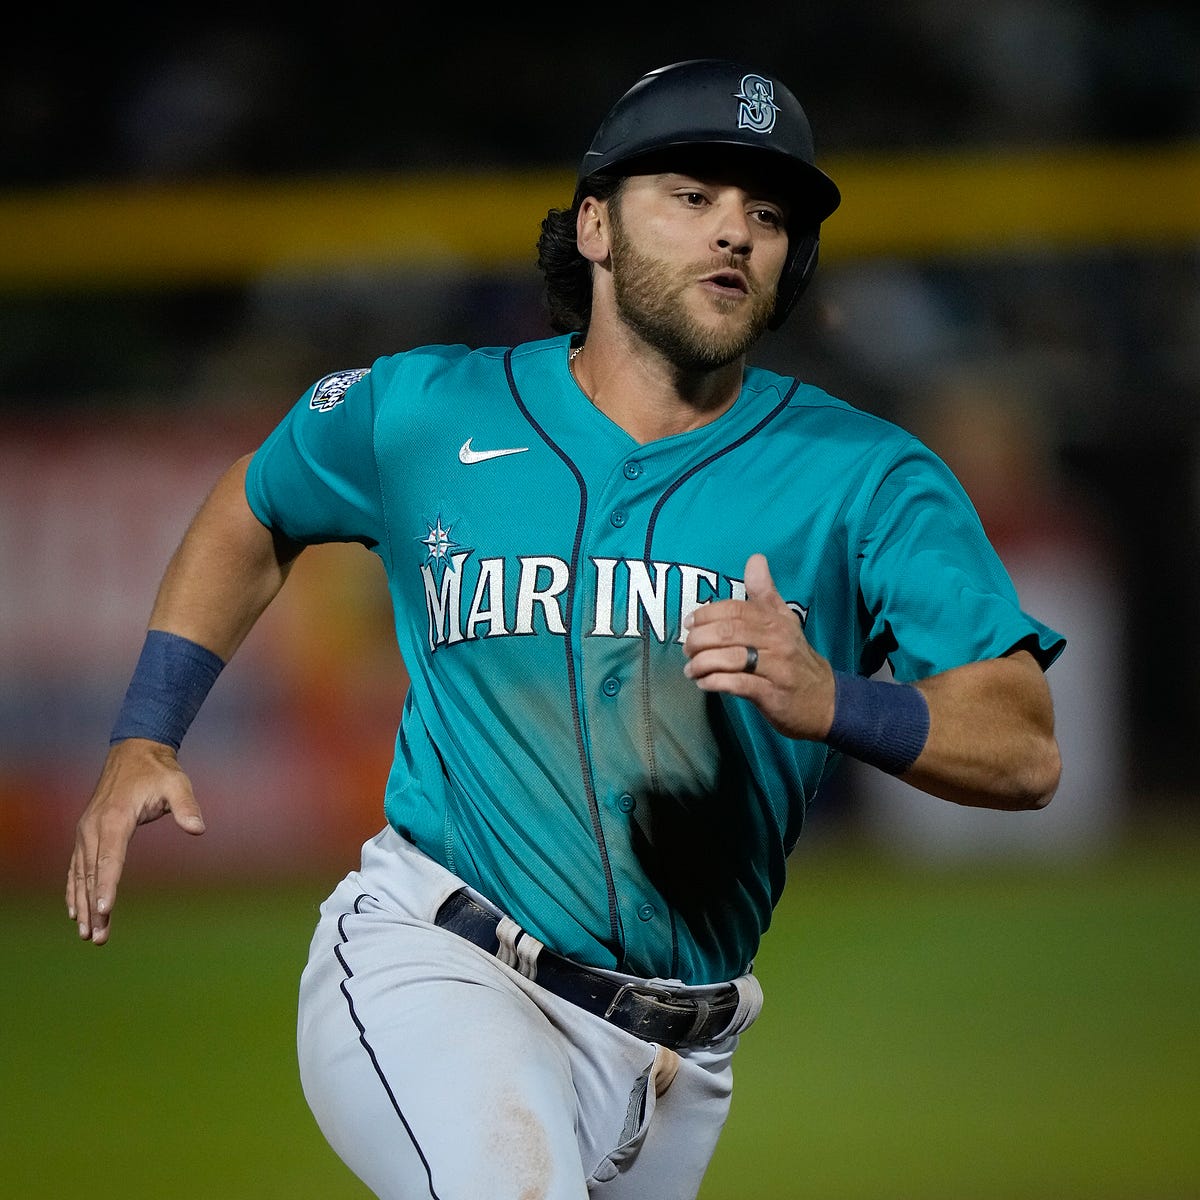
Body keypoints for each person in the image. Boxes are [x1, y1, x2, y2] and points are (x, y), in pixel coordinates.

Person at [67, 59, 1065, 1200]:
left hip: (678, 1059)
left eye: (768, 215)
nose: (735, 231)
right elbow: (254, 506)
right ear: (594, 224)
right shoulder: (429, 409)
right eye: (691, 196)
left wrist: (834, 699)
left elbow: (1025, 748)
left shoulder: (870, 477)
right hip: (440, 960)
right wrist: (148, 731)